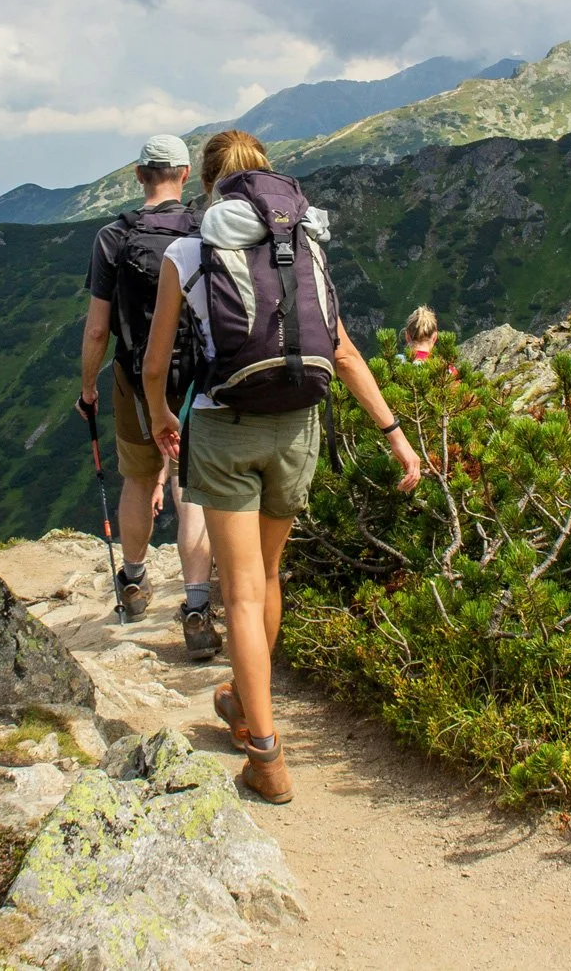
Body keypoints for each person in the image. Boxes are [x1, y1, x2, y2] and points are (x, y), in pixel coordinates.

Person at [143, 130, 422, 804]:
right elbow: (345, 351)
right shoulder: (304, 243)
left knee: (237, 592)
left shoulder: (188, 250)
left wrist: (159, 413)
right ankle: (243, 701)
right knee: (267, 578)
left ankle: (264, 754)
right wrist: (396, 437)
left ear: (209, 184)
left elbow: (155, 363)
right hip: (299, 425)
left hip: (225, 423)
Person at [77, 134, 219, 660]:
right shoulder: (205, 230)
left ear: (139, 176)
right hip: (200, 380)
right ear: (185, 175)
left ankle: (134, 581)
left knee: (138, 479)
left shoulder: (113, 238)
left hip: (135, 377)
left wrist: (89, 388)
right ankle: (199, 606)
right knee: (192, 490)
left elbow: (97, 331)